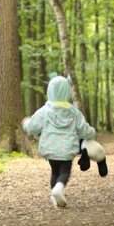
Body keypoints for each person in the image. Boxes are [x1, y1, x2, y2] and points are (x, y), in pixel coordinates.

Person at [23, 75, 96, 208]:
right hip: (67, 150)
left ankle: (55, 197)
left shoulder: (44, 111)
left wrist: (26, 124)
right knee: (64, 172)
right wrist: (92, 132)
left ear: (50, 91)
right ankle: (58, 190)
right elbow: (83, 130)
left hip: (50, 149)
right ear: (67, 91)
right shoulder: (74, 112)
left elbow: (33, 127)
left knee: (54, 171)